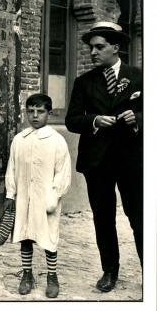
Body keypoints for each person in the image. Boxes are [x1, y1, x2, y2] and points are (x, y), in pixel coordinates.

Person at [65, 21, 142, 292]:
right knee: (103, 217)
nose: (93, 53)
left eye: (100, 47)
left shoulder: (140, 76)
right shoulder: (84, 82)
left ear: (115, 48)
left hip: (133, 160)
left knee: (140, 215)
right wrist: (95, 119)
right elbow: (72, 119)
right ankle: (110, 271)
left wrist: (139, 119)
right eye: (90, 48)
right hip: (97, 162)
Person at [3, 93, 71, 298]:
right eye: (30, 111)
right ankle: (27, 274)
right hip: (24, 196)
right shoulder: (19, 140)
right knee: (25, 235)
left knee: (49, 238)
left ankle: (52, 276)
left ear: (48, 113)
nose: (35, 116)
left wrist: (53, 196)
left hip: (46, 198)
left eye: (40, 112)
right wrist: (10, 194)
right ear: (26, 112)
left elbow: (63, 173)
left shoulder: (57, 141)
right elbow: (11, 169)